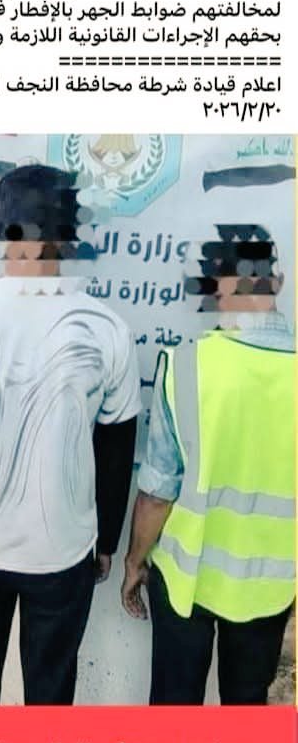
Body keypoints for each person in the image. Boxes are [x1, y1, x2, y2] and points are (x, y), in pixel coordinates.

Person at [0, 165, 141, 705]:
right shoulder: (107, 329)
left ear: (0, 227)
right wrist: (106, 543)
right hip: (62, 552)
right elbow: (115, 452)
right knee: (50, 700)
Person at [121, 224, 295, 704]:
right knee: (246, 711)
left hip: (186, 581)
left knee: (175, 715)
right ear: (278, 281)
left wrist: (134, 562)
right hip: (270, 586)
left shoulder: (187, 365)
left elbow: (158, 492)